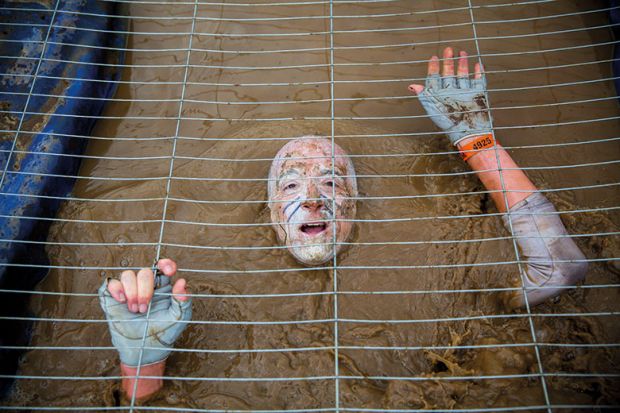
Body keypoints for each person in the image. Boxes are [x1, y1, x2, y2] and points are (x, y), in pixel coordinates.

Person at [98, 47, 588, 400]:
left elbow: (559, 269)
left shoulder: (442, 273)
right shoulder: (199, 294)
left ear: (357, 204)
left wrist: (479, 143)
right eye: (290, 187)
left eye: (332, 183)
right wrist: (142, 363)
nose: (312, 199)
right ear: (269, 213)